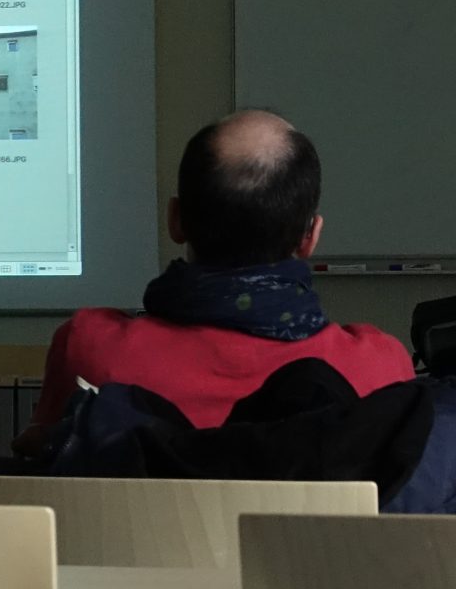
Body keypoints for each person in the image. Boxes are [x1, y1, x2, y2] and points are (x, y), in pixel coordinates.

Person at [28, 111, 412, 435]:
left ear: (175, 220)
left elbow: (41, 462)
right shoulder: (381, 369)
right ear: (310, 236)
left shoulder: (90, 347)